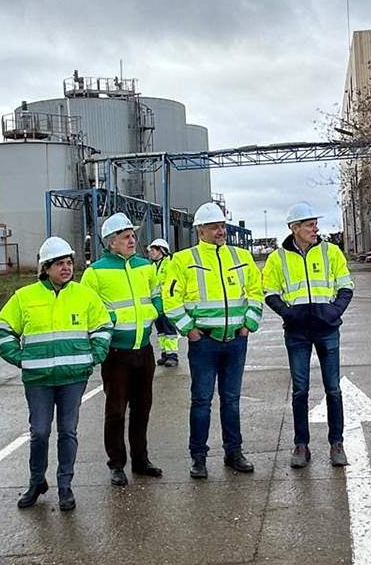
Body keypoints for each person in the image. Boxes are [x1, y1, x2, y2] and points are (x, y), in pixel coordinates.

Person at [0, 236, 113, 512]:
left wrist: (94, 356)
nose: (66, 268)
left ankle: (65, 486)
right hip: (39, 380)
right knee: (39, 432)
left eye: (69, 262)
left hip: (73, 378)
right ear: (45, 267)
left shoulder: (84, 295)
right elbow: (3, 328)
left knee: (68, 432)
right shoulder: (24, 297)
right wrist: (19, 358)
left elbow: (103, 326)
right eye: (59, 263)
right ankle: (37, 482)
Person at [163, 201, 264, 478]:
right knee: (201, 400)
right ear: (200, 230)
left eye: (222, 225)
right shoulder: (183, 260)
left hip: (235, 340)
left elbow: (256, 290)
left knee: (231, 399)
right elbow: (171, 299)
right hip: (204, 342)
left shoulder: (241, 257)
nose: (220, 231)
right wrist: (189, 330)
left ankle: (234, 452)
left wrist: (249, 324)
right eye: (213, 227)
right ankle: (199, 457)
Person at [262, 202, 355, 468]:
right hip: (297, 332)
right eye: (309, 224)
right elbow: (269, 291)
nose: (315, 228)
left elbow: (346, 285)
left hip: (327, 329)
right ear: (294, 228)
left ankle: (337, 443)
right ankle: (301, 445)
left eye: (315, 223)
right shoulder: (278, 258)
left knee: (333, 389)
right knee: (300, 389)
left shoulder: (331, 252)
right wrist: (289, 314)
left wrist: (334, 311)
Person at [81, 214, 163, 486]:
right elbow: (88, 309)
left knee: (143, 408)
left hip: (144, 349)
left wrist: (156, 311)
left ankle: (141, 460)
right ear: (111, 241)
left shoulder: (145, 266)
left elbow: (156, 294)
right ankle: (116, 464)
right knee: (116, 410)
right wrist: (110, 324)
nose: (132, 240)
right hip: (116, 353)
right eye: (126, 236)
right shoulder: (96, 272)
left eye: (132, 235)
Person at [146, 237, 180, 367]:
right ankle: (165, 354)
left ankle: (173, 356)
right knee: (160, 331)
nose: (151, 253)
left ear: (162, 250)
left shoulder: (169, 264)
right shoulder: (152, 266)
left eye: (153, 250)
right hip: (156, 303)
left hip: (167, 303)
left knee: (169, 330)